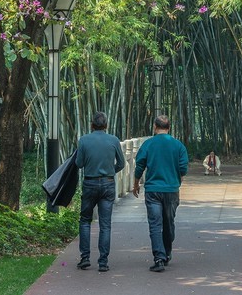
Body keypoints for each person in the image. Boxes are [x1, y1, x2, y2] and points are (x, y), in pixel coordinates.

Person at [131, 114, 188, 273]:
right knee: (168, 223)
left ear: (155, 127)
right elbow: (183, 168)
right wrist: (176, 181)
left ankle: (159, 258)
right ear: (169, 128)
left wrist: (135, 185)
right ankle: (166, 253)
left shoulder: (148, 144)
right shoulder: (178, 145)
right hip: (171, 190)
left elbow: (139, 166)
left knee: (155, 224)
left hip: (153, 190)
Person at [73, 111, 125, 272]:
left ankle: (85, 258)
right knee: (105, 224)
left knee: (85, 220)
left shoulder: (84, 140)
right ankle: (103, 262)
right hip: (108, 184)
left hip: (90, 183)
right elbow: (122, 163)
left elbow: (79, 163)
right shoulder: (114, 140)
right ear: (106, 125)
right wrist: (110, 171)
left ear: (92, 124)